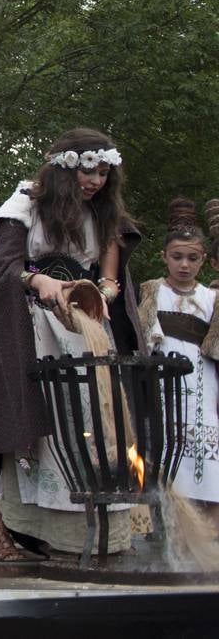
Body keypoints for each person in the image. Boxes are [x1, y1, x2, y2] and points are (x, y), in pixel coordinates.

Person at [0, 128, 141, 560]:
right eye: (88, 171)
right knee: (34, 428)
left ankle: (88, 531)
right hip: (32, 326)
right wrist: (41, 279)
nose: (95, 181)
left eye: (103, 172)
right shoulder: (26, 203)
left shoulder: (102, 213)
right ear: (66, 171)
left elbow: (110, 263)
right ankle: (2, 529)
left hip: (84, 328)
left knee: (93, 426)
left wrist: (102, 291)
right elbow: (1, 264)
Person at [138, 199, 219, 516]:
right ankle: (165, 525)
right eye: (177, 257)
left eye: (192, 258)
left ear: (204, 260)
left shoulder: (211, 298)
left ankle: (211, 534)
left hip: (203, 382)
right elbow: (144, 336)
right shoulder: (152, 290)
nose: (184, 264)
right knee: (164, 448)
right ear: (164, 257)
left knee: (207, 457)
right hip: (162, 381)